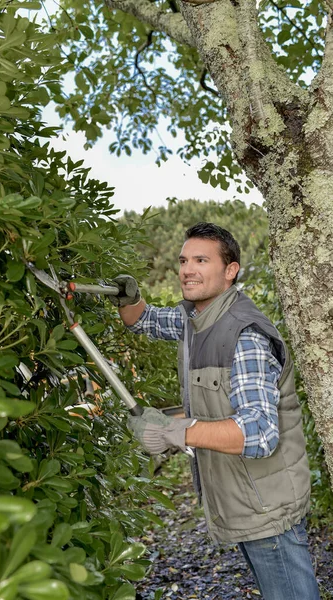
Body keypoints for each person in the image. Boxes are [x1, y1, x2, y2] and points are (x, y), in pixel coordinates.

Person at [110, 222, 320, 600]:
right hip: (244, 499)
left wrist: (175, 430)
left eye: (201, 260)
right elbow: (143, 320)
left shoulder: (244, 335)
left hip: (266, 506)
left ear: (230, 271)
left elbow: (259, 432)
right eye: (184, 260)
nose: (187, 269)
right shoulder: (196, 319)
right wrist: (129, 297)